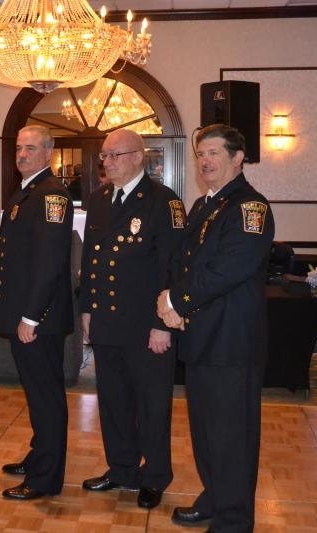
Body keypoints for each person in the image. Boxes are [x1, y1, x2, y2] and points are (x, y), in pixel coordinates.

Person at [157, 124, 274, 532]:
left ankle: (234, 519)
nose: (205, 161)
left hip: (230, 343)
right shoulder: (205, 205)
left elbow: (229, 269)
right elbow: (183, 261)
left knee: (231, 438)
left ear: (238, 157)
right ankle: (216, 497)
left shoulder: (249, 208)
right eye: (200, 154)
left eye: (213, 154)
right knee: (206, 434)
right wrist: (171, 299)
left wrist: (178, 301)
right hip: (202, 339)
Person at [79, 129, 185, 509]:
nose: (105, 163)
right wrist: (88, 309)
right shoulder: (99, 199)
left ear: (139, 156)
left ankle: (155, 475)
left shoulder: (163, 202)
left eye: (113, 155)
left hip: (147, 326)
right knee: (114, 400)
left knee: (153, 404)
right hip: (107, 320)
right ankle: (121, 467)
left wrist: (163, 322)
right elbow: (92, 259)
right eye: (103, 157)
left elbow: (172, 267)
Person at [0, 125, 74, 500]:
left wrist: (31, 317)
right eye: (18, 149)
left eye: (30, 148)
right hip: (27, 315)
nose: (22, 155)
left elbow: (50, 262)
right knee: (36, 395)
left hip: (38, 320)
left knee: (46, 398)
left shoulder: (52, 194)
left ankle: (45, 478)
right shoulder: (26, 193)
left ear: (48, 153)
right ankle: (39, 455)